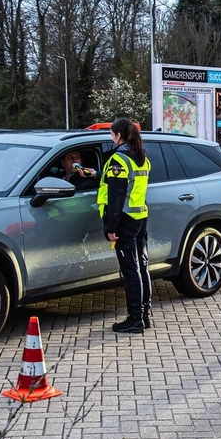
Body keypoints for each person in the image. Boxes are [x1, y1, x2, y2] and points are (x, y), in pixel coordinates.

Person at [97, 118, 152, 334]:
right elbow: (127, 184)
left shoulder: (119, 159)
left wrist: (111, 227)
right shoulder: (141, 158)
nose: (111, 139)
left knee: (131, 269)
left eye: (112, 135)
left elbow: (117, 195)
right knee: (141, 266)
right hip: (140, 217)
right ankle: (145, 314)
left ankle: (135, 319)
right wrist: (96, 174)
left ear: (118, 135)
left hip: (126, 220)